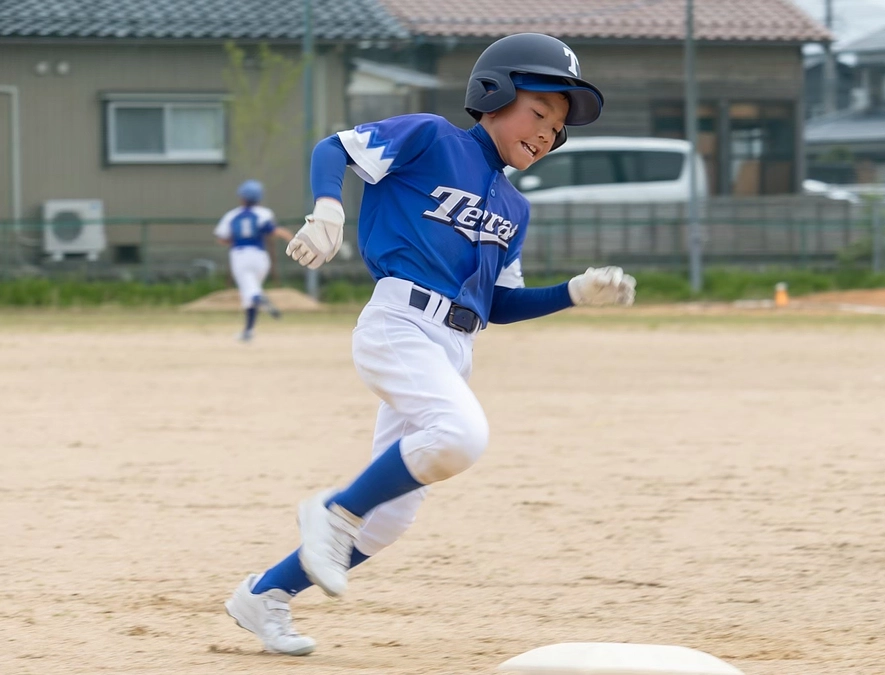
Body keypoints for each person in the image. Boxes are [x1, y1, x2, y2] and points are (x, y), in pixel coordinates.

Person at [224, 33, 637, 656]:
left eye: (557, 128)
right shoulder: (431, 138)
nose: (547, 133)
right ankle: (332, 514)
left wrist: (572, 293)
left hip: (453, 347)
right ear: (494, 94)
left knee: (391, 517)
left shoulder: (513, 209)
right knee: (460, 435)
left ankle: (265, 595)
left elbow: (496, 306)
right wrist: (328, 208)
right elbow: (334, 147)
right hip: (400, 324)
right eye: (540, 111)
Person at [214, 180, 294, 341]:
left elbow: (221, 238)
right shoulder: (264, 213)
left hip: (240, 255)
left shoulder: (232, 215)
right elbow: (272, 230)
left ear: (242, 197)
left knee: (249, 291)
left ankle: (259, 298)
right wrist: (290, 238)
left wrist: (235, 240)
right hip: (260, 257)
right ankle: (248, 331)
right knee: (251, 290)